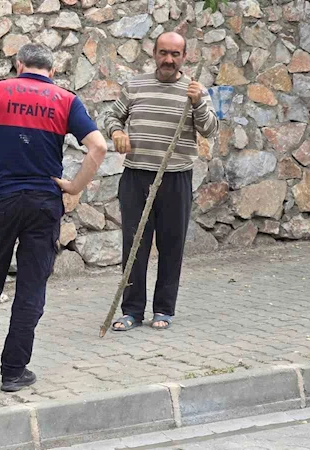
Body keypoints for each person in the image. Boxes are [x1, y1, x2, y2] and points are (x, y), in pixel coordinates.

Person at [0, 43, 108, 392]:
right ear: (52, 70)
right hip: (43, 204)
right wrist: (74, 185)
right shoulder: (66, 100)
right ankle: (13, 372)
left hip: (1, 200)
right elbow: (99, 146)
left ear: (19, 65)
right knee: (31, 288)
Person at [102, 32, 219, 332]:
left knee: (171, 245)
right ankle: (131, 311)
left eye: (175, 54)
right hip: (137, 175)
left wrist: (198, 104)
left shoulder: (194, 90)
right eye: (163, 52)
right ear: (153, 53)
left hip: (176, 176)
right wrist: (117, 133)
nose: (168, 59)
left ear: (184, 56)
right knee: (134, 244)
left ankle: (164, 310)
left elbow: (209, 129)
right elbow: (112, 117)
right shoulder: (135, 85)